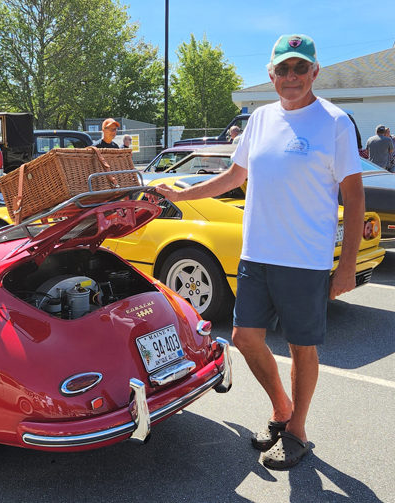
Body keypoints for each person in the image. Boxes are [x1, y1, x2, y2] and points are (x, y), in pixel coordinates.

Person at [156, 34, 364, 470]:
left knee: (301, 347)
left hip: (304, 260)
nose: (291, 77)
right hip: (256, 256)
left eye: (299, 68)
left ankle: (298, 431)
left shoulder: (335, 122)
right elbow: (234, 175)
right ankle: (282, 410)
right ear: (272, 75)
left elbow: (354, 195)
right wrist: (179, 191)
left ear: (314, 72)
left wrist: (346, 267)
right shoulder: (262, 118)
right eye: (283, 69)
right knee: (244, 338)